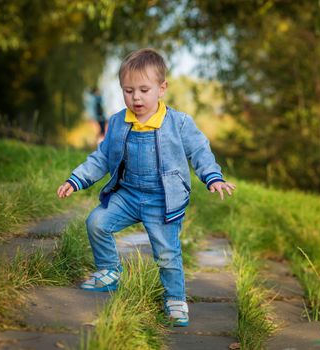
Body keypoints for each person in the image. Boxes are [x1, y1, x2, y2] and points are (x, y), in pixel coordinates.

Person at [57, 48, 236, 327]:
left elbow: (200, 150)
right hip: (127, 195)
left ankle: (175, 298)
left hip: (163, 199)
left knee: (167, 253)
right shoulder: (118, 122)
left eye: (143, 89)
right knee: (97, 222)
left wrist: (213, 177)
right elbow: (102, 157)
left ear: (161, 88)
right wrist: (76, 179)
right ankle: (109, 272)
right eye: (128, 91)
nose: (136, 97)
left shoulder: (178, 123)